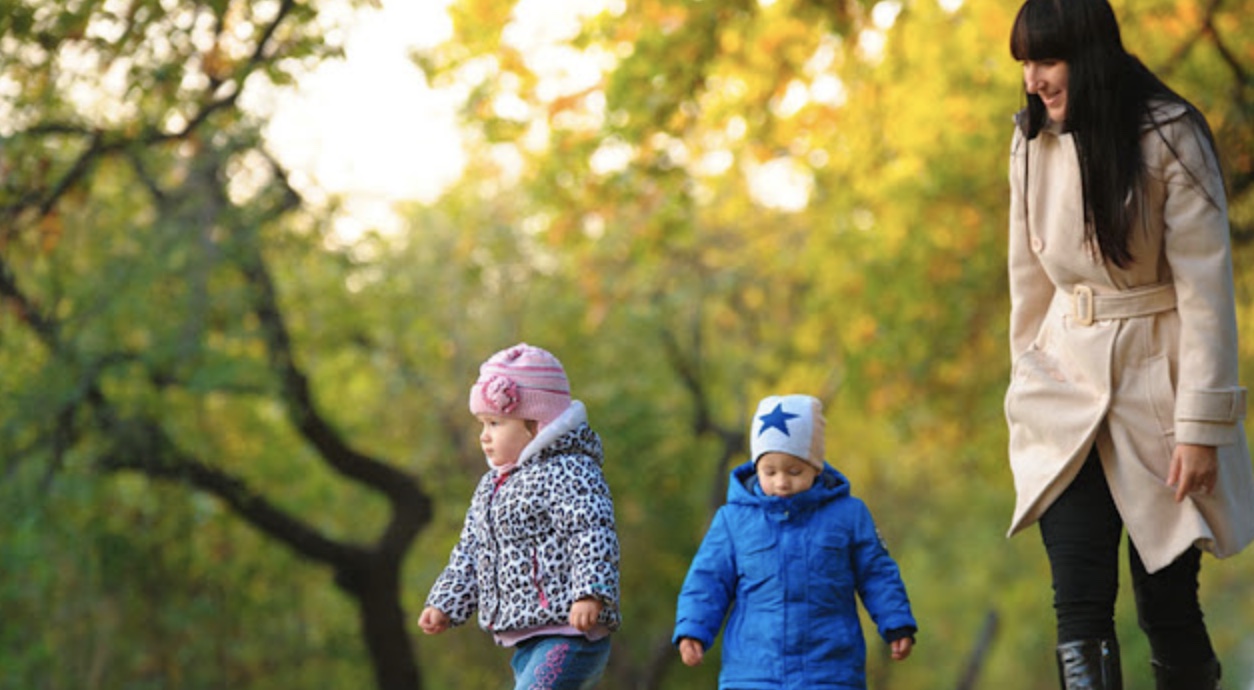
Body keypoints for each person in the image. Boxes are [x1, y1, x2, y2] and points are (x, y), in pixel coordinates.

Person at [1003, 1, 1254, 687]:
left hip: (1159, 397)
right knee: (1078, 608)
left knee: (1166, 607)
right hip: (1064, 392)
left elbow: (1207, 293)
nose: (1032, 79)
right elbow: (1029, 289)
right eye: (1025, 62)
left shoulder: (1171, 135)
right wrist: (1028, 388)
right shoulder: (1030, 142)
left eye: (1046, 61)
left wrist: (1200, 429)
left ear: (1088, 56)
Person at [672, 394, 917, 689]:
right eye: (769, 471)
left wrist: (896, 623)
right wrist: (693, 630)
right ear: (756, 468)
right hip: (753, 673)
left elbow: (877, 574)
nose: (781, 482)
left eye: (794, 471)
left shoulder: (849, 516)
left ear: (816, 466)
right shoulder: (733, 521)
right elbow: (707, 580)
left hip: (830, 671)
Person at [418, 343, 621, 689]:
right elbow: (471, 552)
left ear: (536, 425)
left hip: (570, 633)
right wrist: (446, 602)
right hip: (526, 639)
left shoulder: (570, 471)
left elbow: (591, 530)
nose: (484, 436)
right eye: (482, 423)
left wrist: (591, 592)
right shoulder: (491, 488)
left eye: (495, 423)